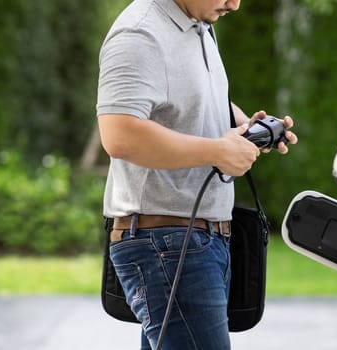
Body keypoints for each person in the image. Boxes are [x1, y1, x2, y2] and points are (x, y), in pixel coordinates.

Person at [96, 0, 297, 349]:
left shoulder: (198, 27)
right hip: (166, 244)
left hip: (191, 242)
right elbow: (119, 134)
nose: (234, 4)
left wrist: (246, 129)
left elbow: (190, 101)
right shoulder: (140, 32)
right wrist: (217, 151)